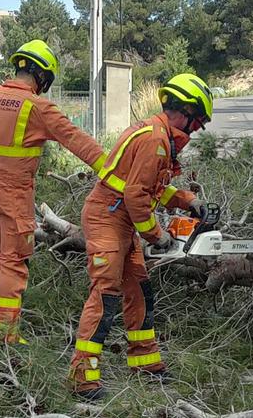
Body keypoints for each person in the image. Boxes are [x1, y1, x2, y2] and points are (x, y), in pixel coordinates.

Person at [0, 38, 105, 342]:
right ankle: (5, 334)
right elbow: (79, 141)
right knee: (14, 260)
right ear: (43, 75)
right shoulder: (39, 107)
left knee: (2, 255)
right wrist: (114, 172)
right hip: (15, 197)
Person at [69, 72, 211, 397]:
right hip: (108, 217)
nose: (197, 129)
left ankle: (145, 361)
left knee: (140, 290)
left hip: (121, 219)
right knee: (105, 296)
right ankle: (82, 377)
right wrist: (157, 236)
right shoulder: (155, 141)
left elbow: (152, 189)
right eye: (198, 121)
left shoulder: (158, 135)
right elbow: (136, 196)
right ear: (185, 111)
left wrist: (189, 201)